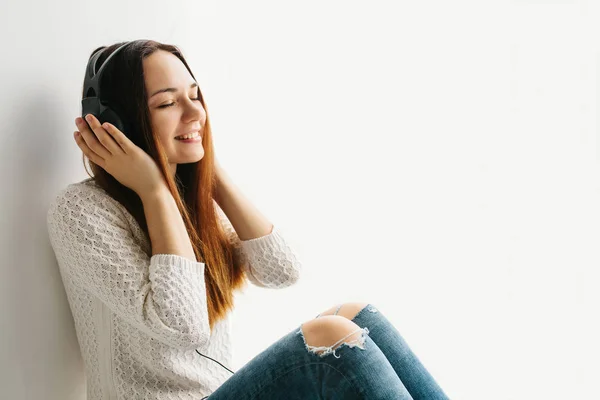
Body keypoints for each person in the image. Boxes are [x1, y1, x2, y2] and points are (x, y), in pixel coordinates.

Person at [46, 40, 450, 399]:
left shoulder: (189, 200)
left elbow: (281, 270)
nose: (195, 113)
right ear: (117, 126)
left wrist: (209, 173)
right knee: (329, 340)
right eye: (168, 103)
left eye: (196, 96)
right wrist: (155, 192)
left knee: (356, 316)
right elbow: (185, 327)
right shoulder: (81, 210)